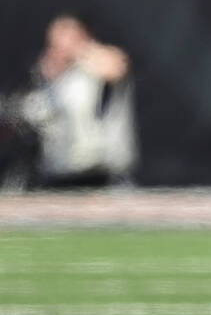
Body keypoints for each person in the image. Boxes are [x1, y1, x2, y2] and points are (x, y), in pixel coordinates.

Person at [6, 14, 138, 189]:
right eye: (55, 40)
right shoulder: (47, 80)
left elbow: (116, 65)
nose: (61, 44)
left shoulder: (97, 66)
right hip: (59, 177)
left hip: (103, 178)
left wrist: (80, 51)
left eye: (68, 36)